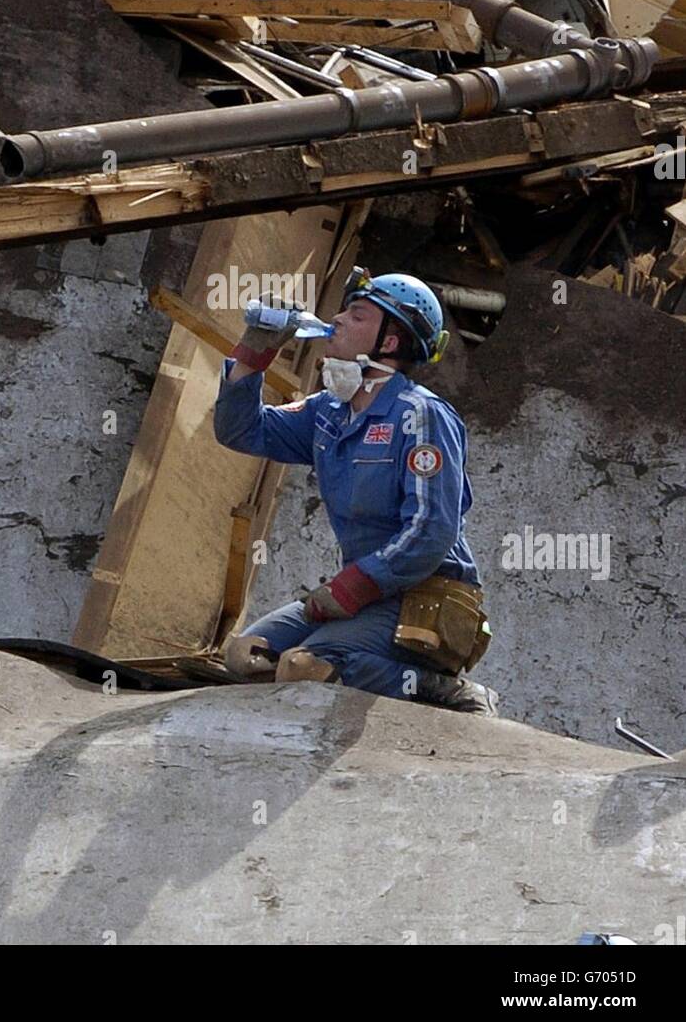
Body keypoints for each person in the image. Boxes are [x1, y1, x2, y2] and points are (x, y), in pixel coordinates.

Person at [213, 269, 498, 715]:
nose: (338, 320)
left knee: (304, 666)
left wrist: (350, 589)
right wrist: (254, 353)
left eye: (357, 315)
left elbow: (431, 529)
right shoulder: (328, 411)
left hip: (421, 598)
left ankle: (440, 691)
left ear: (389, 341)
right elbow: (241, 431)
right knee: (245, 656)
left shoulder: (420, 415)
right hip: (365, 597)